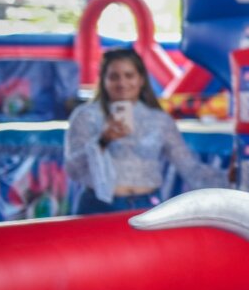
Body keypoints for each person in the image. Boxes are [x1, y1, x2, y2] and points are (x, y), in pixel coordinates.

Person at [64, 47, 230, 215]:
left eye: (129, 75)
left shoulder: (159, 119)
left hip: (146, 207)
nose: (122, 83)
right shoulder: (86, 116)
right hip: (99, 206)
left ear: (141, 79)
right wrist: (102, 141)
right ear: (103, 80)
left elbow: (189, 168)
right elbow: (72, 169)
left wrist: (229, 177)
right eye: (114, 77)